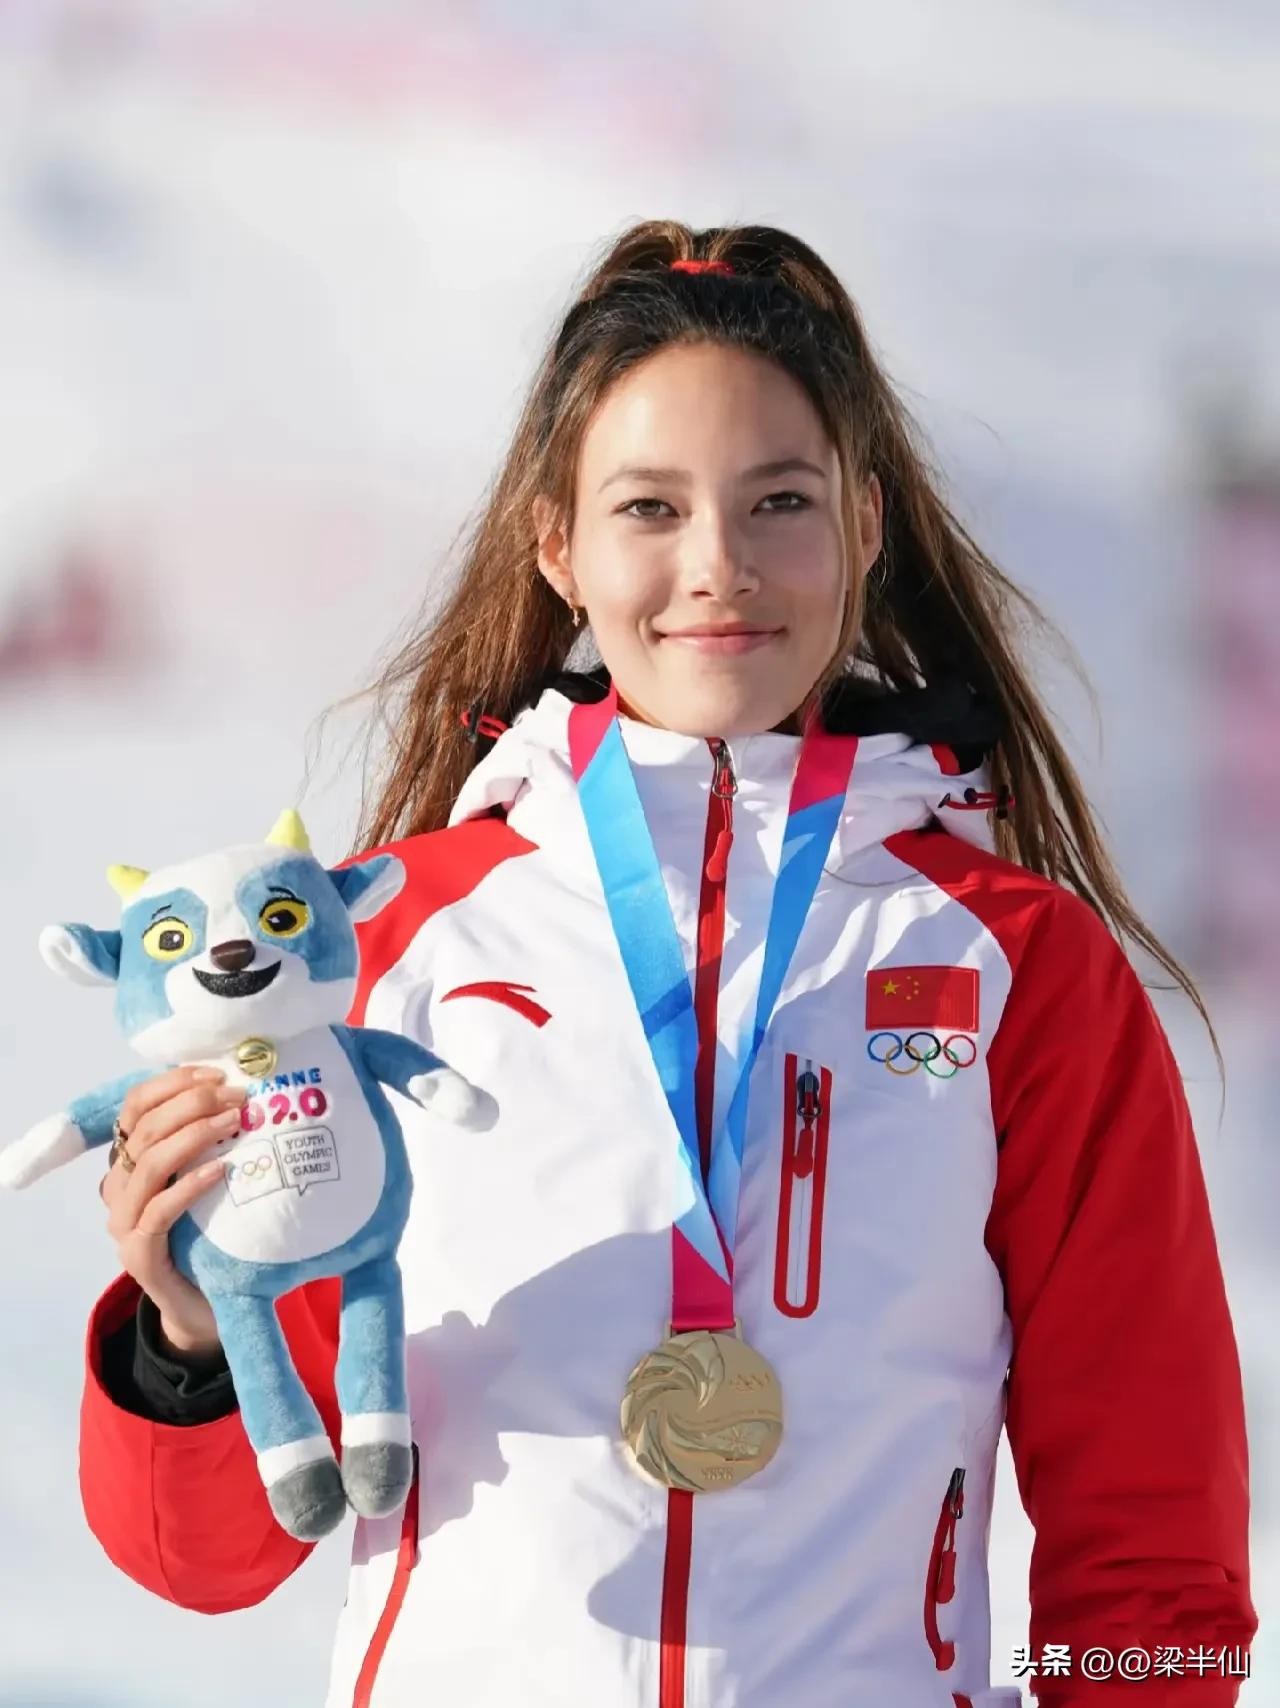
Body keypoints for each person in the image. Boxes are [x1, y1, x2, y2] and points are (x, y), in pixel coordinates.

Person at [81, 222, 1256, 1708]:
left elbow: (1153, 1542)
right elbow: (208, 1558)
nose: (719, 567)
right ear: (557, 546)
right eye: (650, 507)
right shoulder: (386, 950)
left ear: (866, 526)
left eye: (781, 502)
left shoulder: (1018, 963)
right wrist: (191, 1337)